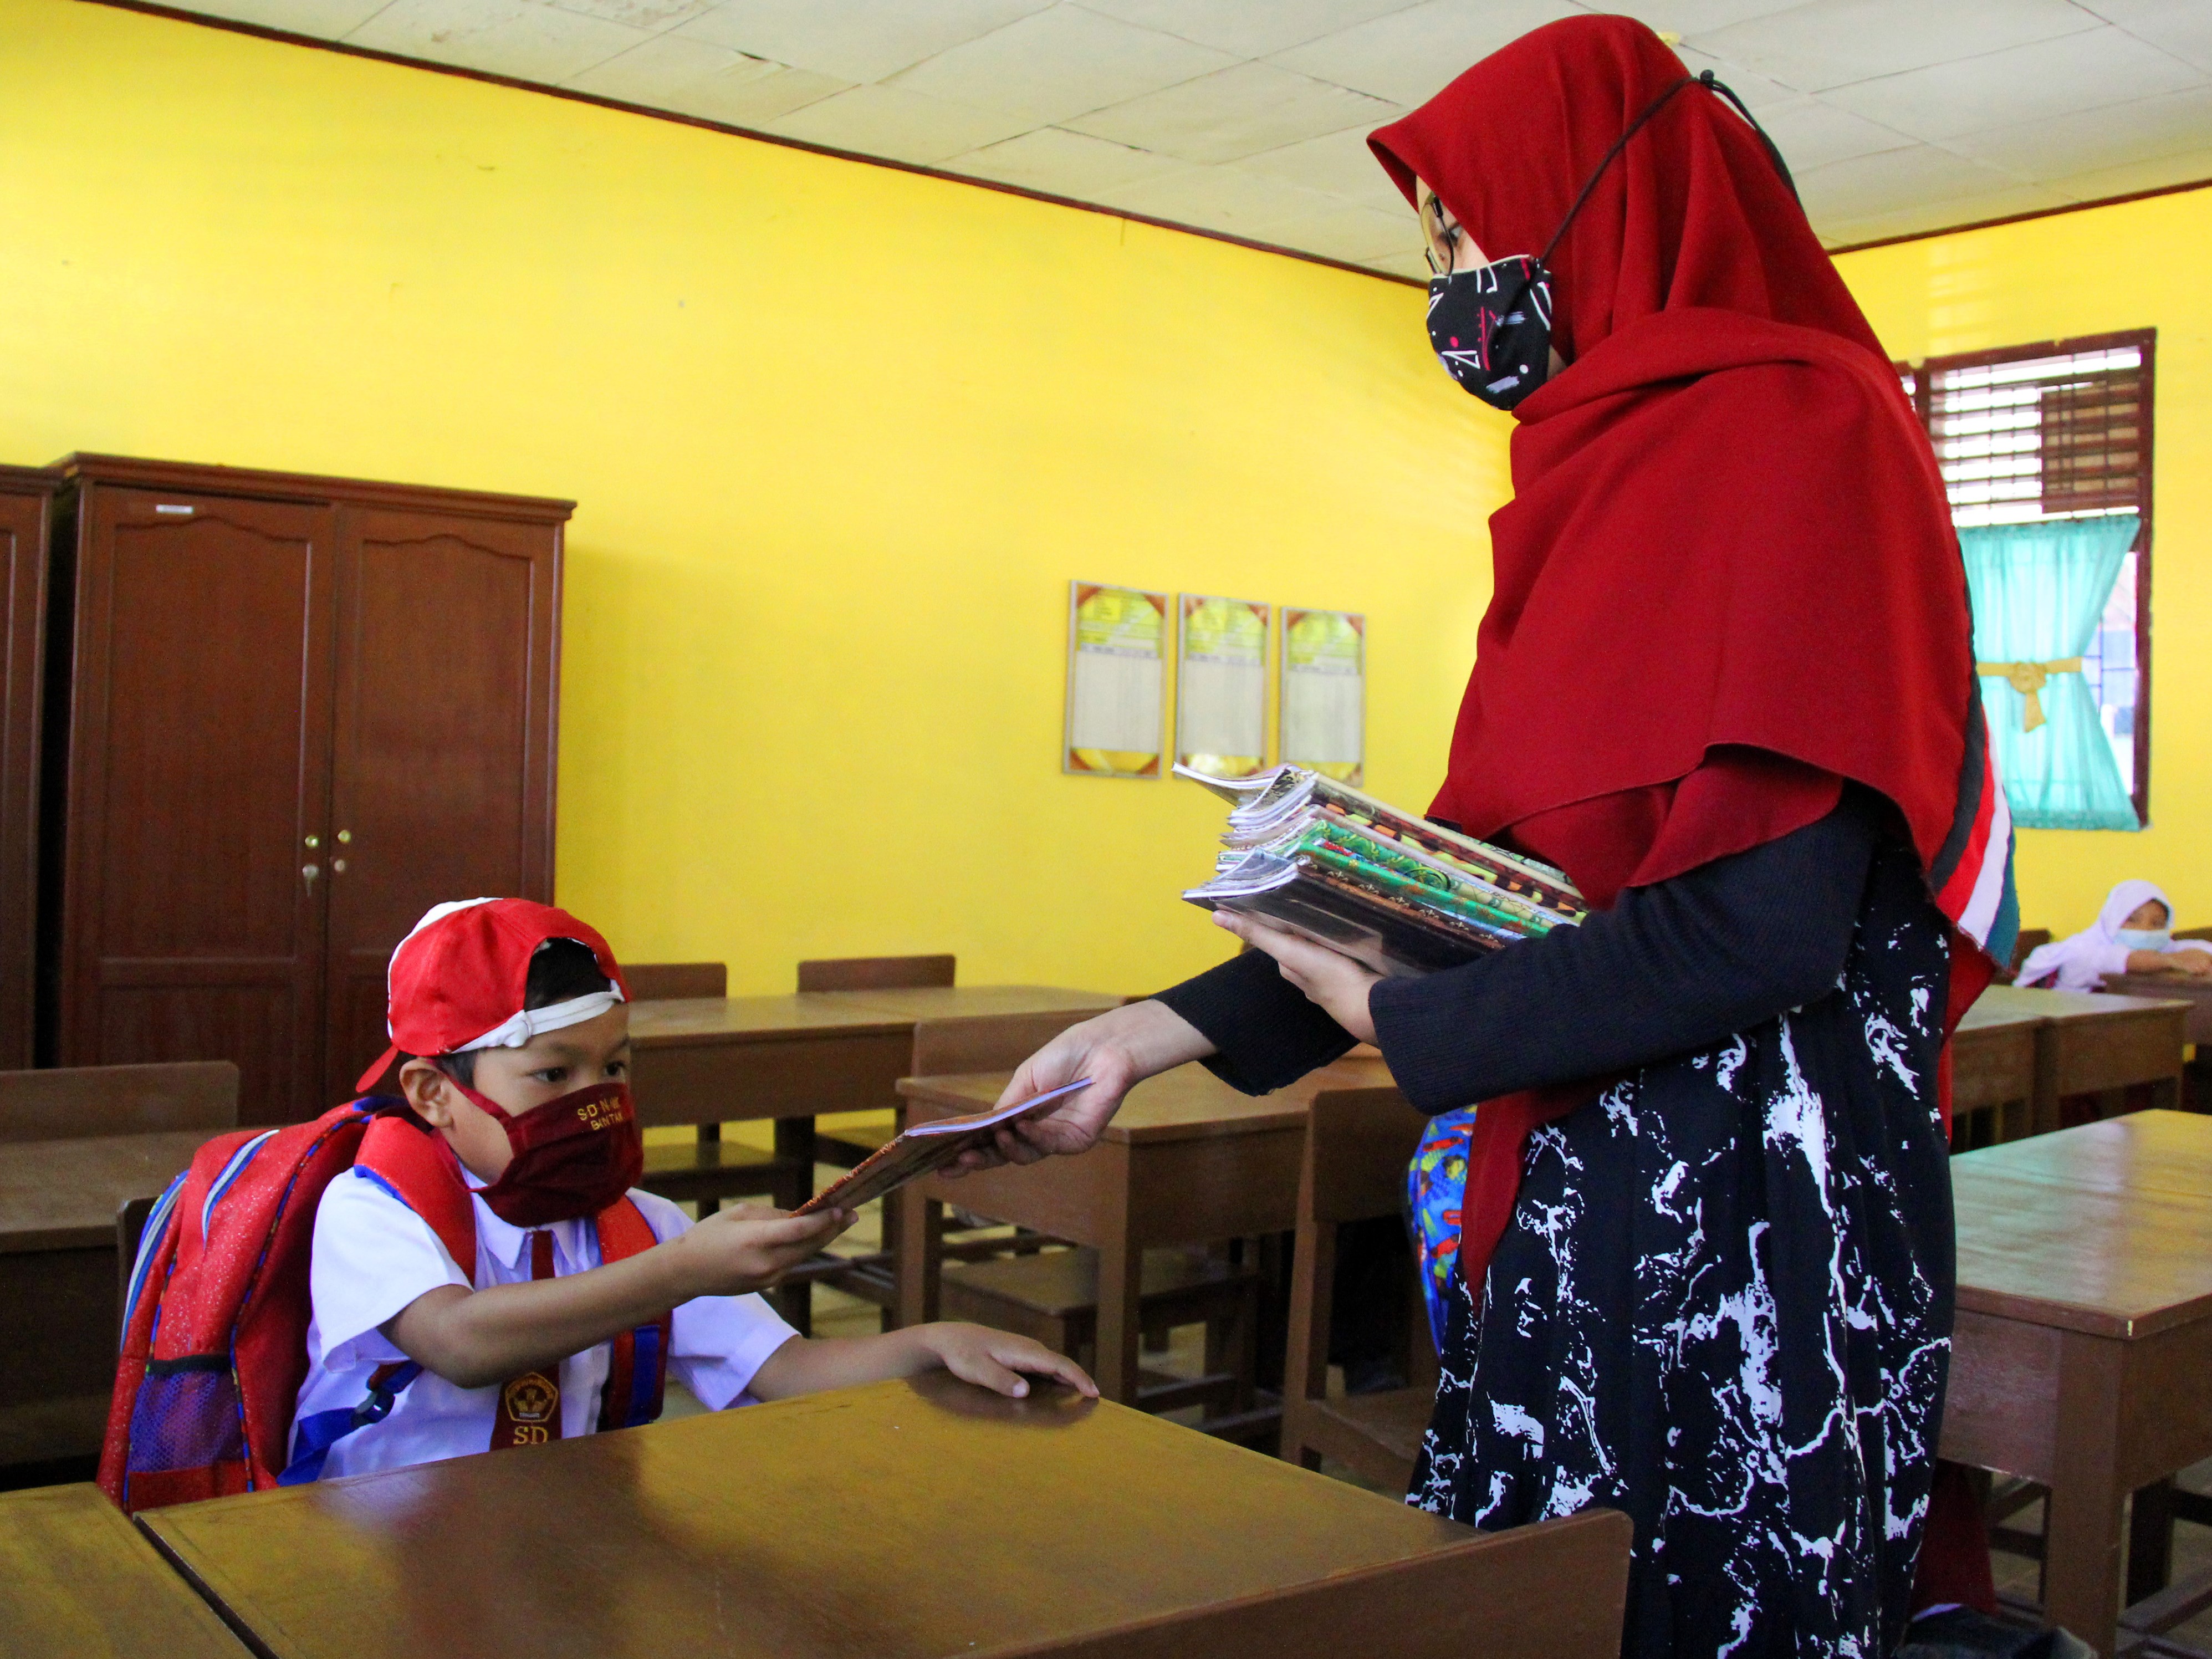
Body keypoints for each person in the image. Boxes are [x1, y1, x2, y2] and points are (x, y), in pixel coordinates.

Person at [952, 18, 2020, 1657]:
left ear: (1600, 207)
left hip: (1744, 1232)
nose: (1448, 281)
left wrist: (1407, 1023)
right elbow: (1464, 890)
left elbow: (1762, 925)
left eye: (1461, 231)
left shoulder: (1799, 438)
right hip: (1582, 1192)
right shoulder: (1599, 480)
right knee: (1540, 1600)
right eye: (1432, 243)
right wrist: (1146, 1034)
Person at [289, 897, 1092, 1480]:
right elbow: (459, 1343)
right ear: (432, 1093)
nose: (592, 1097)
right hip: (385, 1546)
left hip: (561, 1540)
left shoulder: (637, 1225)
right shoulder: (372, 1209)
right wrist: (680, 1272)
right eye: (551, 1073)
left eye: (613, 1066)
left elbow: (786, 1371)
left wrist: (927, 1344)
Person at [2016, 880, 2212, 991]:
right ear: (2112, 920)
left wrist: (2199, 957)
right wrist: (2174, 961)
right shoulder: (2082, 951)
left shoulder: (2163, 948)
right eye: (2133, 920)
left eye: (2158, 924)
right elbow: (2128, 960)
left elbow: (2195, 948)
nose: (2145, 930)